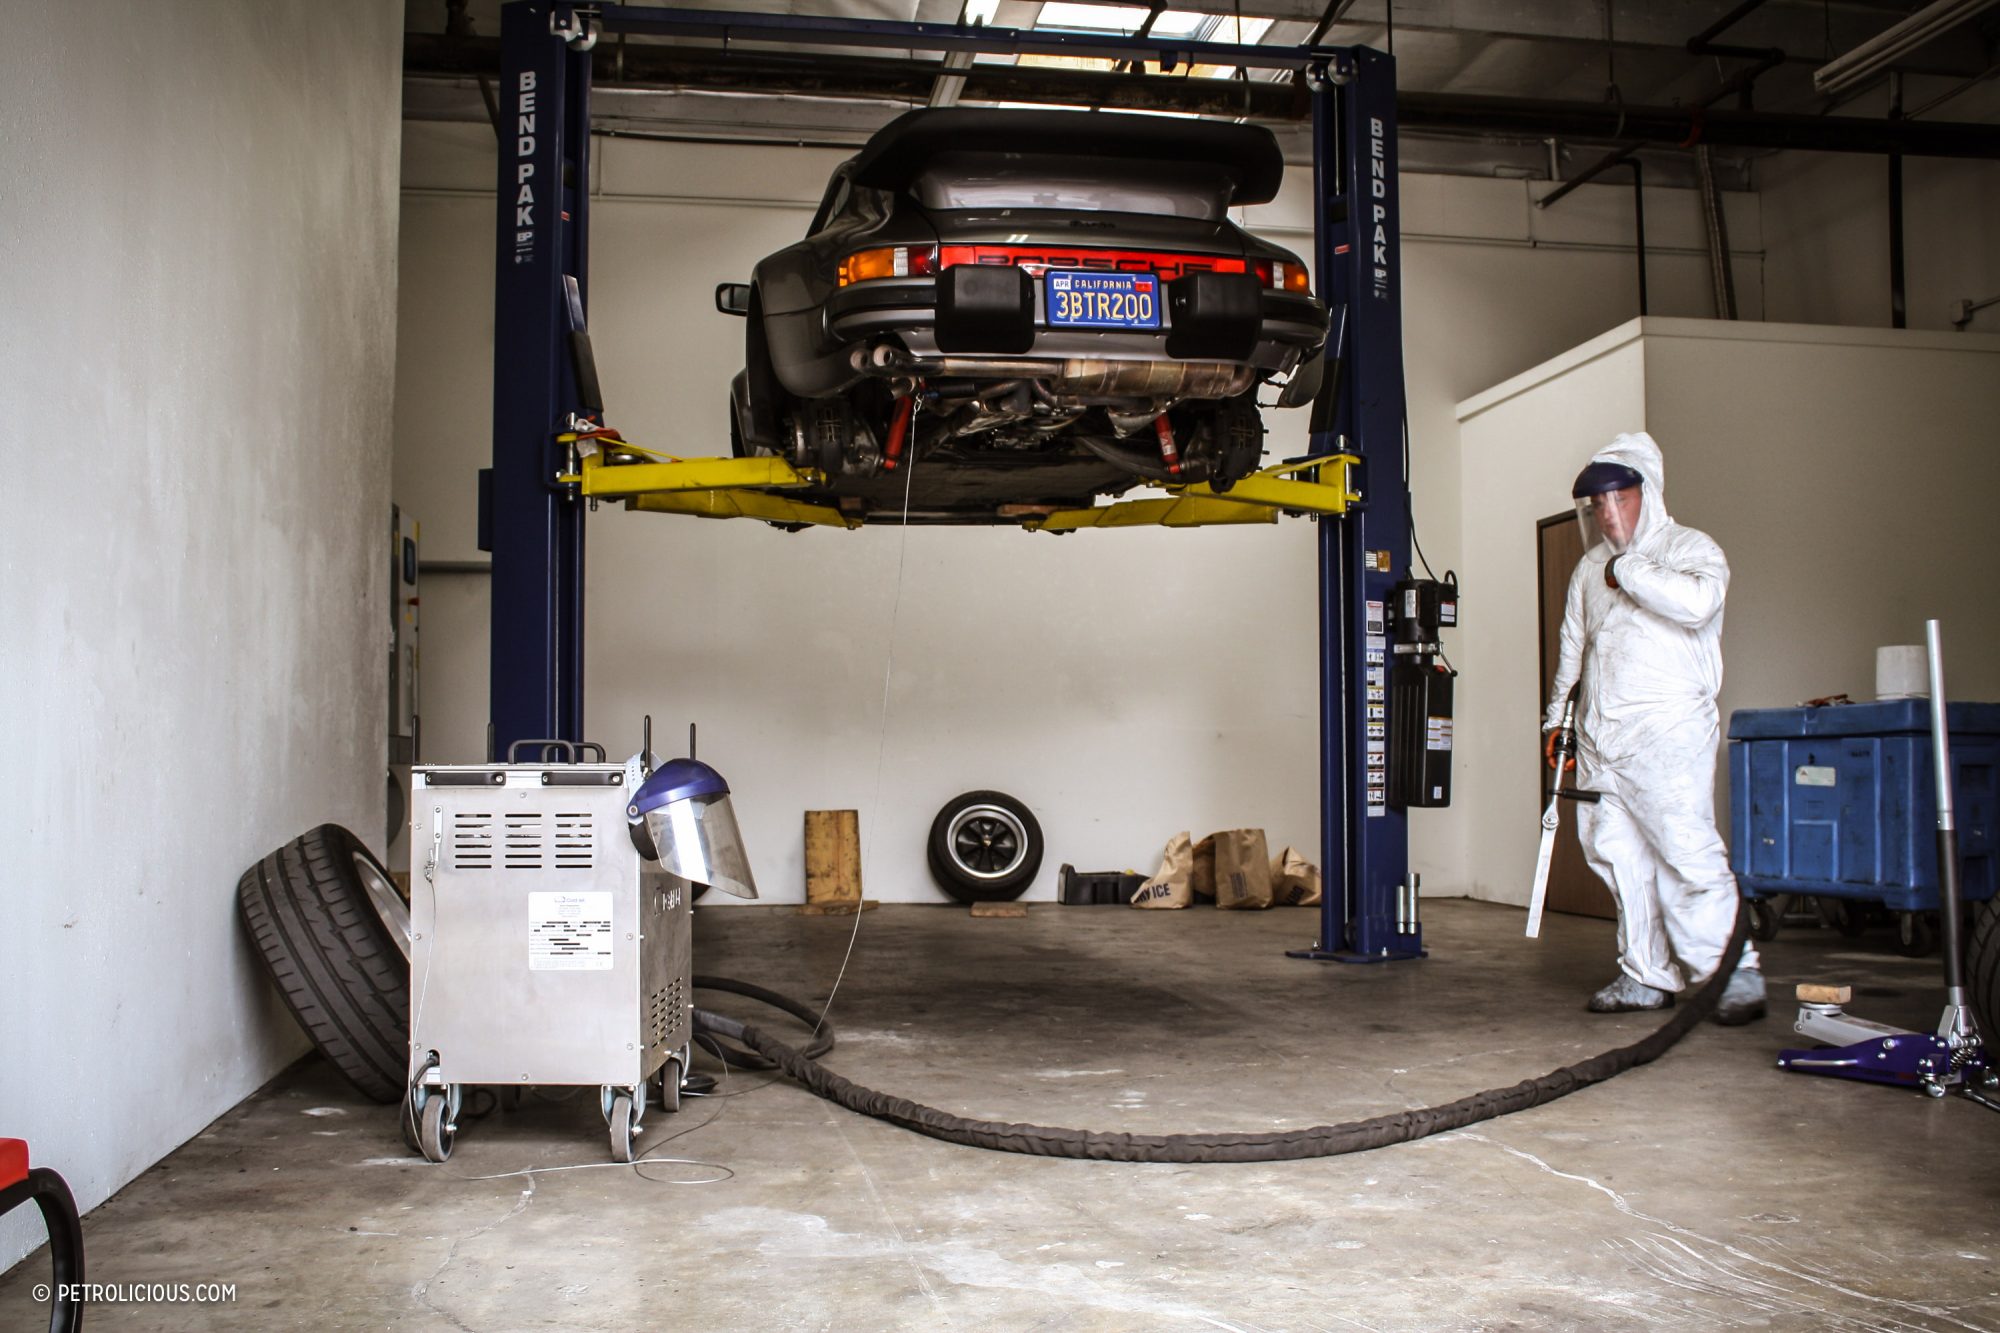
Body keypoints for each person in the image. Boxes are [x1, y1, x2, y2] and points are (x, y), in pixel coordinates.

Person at [1543, 431, 1764, 1024]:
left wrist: (1631, 571)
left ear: (1648, 493)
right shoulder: (1589, 568)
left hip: (1666, 734)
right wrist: (1557, 720)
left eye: (1619, 500)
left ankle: (1731, 972)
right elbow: (1574, 649)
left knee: (1685, 851)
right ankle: (1644, 973)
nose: (1608, 516)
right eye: (1598, 507)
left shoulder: (1690, 549)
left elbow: (1697, 604)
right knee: (1616, 857)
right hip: (1600, 739)